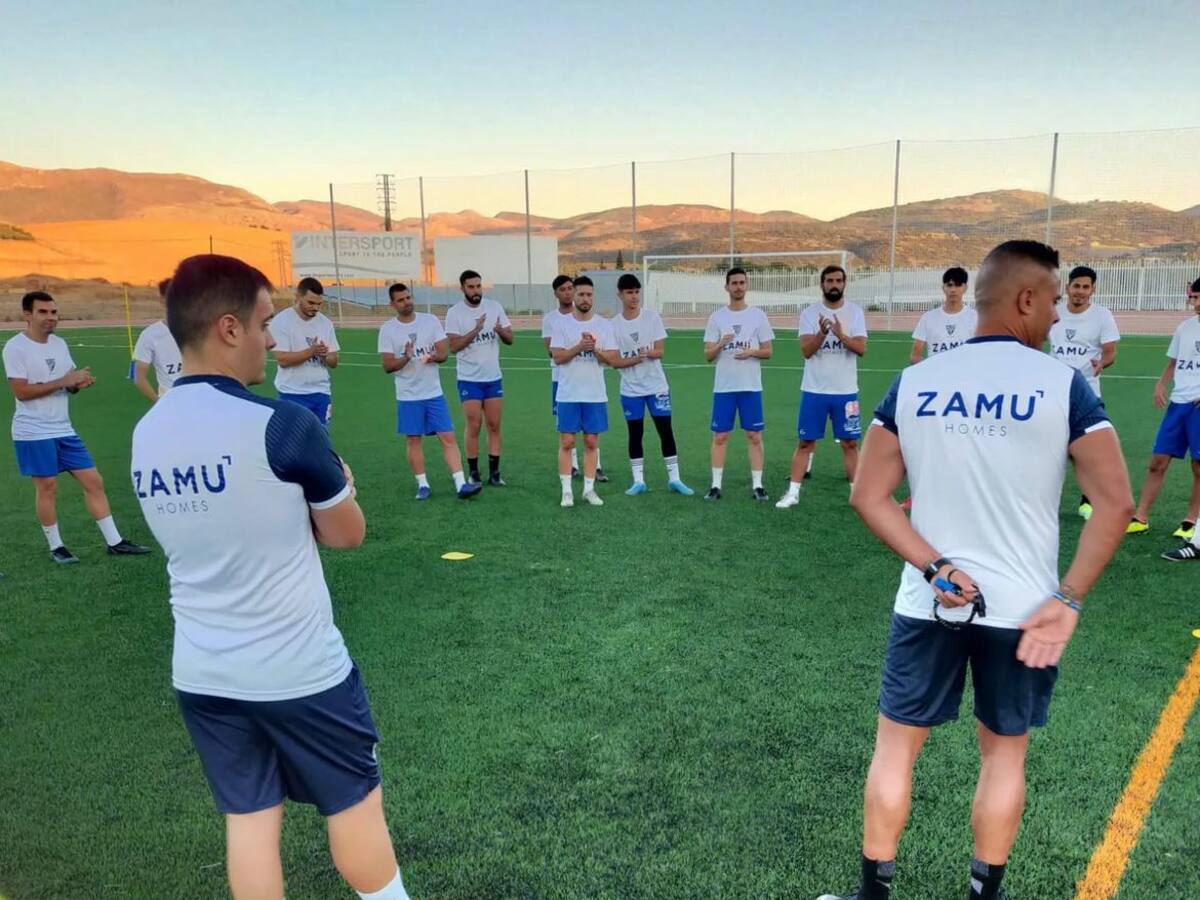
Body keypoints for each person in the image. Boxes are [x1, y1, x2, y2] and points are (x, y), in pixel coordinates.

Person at [820, 240, 1132, 900]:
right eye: (1050, 300)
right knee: (1003, 755)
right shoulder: (1063, 385)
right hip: (1022, 612)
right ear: (1024, 300)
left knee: (895, 750)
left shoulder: (916, 382)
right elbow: (1116, 503)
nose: (1055, 316)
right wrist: (1068, 598)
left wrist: (933, 566)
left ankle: (872, 895)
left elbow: (867, 496)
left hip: (928, 600)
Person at [130, 254, 411, 900]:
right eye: (263, 323)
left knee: (251, 823)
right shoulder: (282, 424)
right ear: (229, 328)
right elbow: (348, 534)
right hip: (299, 670)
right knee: (354, 807)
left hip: (202, 673)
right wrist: (339, 489)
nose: (272, 338)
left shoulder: (147, 433)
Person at [3, 290, 149, 564]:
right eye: (43, 312)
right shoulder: (15, 348)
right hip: (33, 431)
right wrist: (64, 381)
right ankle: (56, 546)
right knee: (47, 487)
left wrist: (76, 385)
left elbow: (67, 385)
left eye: (54, 312)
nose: (51, 318)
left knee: (94, 482)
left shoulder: (59, 344)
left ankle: (114, 542)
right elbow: (21, 391)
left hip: (63, 429)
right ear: (27, 315)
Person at [378, 283, 481, 501]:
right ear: (392, 304)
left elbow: (444, 352)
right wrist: (406, 357)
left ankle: (461, 483)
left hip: (433, 393)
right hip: (408, 396)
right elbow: (387, 366)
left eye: (408, 297)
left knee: (447, 437)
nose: (406, 302)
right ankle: (422, 484)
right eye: (401, 300)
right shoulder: (388, 329)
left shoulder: (430, 321)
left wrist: (434, 357)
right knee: (414, 440)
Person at [778, 265, 867, 509]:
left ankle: (857, 495)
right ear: (822, 284)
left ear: (844, 284)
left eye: (838, 280)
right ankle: (793, 493)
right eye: (829, 280)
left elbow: (861, 349)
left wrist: (840, 334)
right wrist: (821, 333)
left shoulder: (855, 312)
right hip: (814, 391)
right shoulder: (809, 313)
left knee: (850, 444)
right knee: (805, 443)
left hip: (846, 392)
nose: (834, 284)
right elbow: (806, 351)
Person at [1127, 277, 1200, 538]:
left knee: (1198, 466)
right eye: (1193, 297)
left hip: (1198, 407)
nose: (1194, 303)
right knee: (1158, 461)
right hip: (1178, 403)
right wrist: (1160, 384)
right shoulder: (1185, 327)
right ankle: (1141, 516)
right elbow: (1174, 361)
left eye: (1198, 298)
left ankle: (1191, 521)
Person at [608, 273, 693, 496]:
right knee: (635, 433)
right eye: (629, 293)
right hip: (630, 390)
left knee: (665, 431)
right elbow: (615, 362)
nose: (634, 297)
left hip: (657, 387)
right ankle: (638, 482)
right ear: (620, 295)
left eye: (637, 292)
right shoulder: (613, 325)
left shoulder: (651, 317)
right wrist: (636, 358)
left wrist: (648, 352)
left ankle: (675, 479)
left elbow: (660, 351)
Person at [1047, 265, 1120, 522]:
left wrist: (1103, 363)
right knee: (1050, 448)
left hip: (1087, 392)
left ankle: (1088, 499)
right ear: (1068, 287)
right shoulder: (1053, 312)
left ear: (1092, 289)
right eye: (1076, 286)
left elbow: (1110, 350)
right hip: (1054, 390)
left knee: (1087, 450)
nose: (1080, 291)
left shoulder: (1102, 316)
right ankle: (1043, 498)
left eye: (1085, 287)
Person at [702, 267, 774, 501]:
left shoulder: (758, 315)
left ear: (747, 285)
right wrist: (721, 343)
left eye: (742, 282)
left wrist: (752, 352)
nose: (738, 287)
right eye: (734, 283)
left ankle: (758, 485)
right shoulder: (717, 317)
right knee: (720, 436)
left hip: (750, 387)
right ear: (727, 287)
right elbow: (708, 355)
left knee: (754, 435)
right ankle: (715, 486)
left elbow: (768, 352)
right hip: (724, 388)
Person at [550, 276, 618, 507]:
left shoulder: (604, 325)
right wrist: (579, 347)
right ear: (573, 296)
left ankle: (589, 489)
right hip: (568, 393)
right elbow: (557, 357)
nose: (585, 298)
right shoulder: (561, 325)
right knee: (567, 442)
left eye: (589, 294)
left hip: (594, 394)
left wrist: (596, 351)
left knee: (591, 441)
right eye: (581, 294)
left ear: (593, 297)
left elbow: (613, 359)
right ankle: (567, 491)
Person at [445, 269, 514, 486]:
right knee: (474, 425)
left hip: (493, 378)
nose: (476, 291)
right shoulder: (455, 313)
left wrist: (500, 330)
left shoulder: (494, 307)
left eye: (478, 286)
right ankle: (474, 472)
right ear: (463, 288)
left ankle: (495, 473)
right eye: (471, 287)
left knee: (494, 425)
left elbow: (510, 339)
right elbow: (454, 347)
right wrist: (476, 330)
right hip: (469, 379)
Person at [542, 274, 608, 481]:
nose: (568, 292)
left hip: (589, 383)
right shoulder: (552, 319)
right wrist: (577, 348)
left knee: (591, 432)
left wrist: (594, 349)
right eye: (563, 289)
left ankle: (596, 467)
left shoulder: (594, 321)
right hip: (561, 379)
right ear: (556, 293)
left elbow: (608, 354)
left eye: (571, 288)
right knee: (567, 431)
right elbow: (551, 351)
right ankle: (572, 466)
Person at [271, 277, 340, 430]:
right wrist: (311, 351)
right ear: (298, 297)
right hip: (292, 392)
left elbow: (334, 361)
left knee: (321, 439)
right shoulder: (282, 322)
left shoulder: (325, 323)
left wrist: (324, 355)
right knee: (294, 441)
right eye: (311, 303)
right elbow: (282, 359)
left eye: (319, 304)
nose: (315, 308)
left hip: (321, 392)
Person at [908, 266, 977, 363]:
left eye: (958, 285)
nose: (953, 290)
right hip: (936, 376)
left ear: (965, 287)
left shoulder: (975, 318)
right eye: (949, 285)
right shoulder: (928, 318)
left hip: (964, 377)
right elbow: (915, 356)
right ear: (943, 288)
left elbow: (982, 352)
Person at [132, 277, 183, 402]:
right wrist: (158, 403)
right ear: (162, 300)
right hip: (170, 402)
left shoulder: (200, 330)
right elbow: (139, 378)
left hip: (200, 401)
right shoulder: (150, 335)